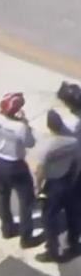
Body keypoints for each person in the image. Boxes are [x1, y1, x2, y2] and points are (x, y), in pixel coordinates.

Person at [0, 92, 37, 246]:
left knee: (3, 197)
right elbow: (30, 143)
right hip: (16, 166)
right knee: (26, 202)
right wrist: (25, 123)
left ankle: (7, 229)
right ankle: (26, 238)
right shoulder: (20, 127)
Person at [34, 110, 80, 262]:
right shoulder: (73, 142)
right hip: (70, 181)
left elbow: (39, 171)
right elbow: (77, 161)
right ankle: (73, 245)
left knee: (49, 218)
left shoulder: (46, 146)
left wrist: (37, 188)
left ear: (48, 126)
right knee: (73, 215)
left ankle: (52, 251)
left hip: (54, 185)